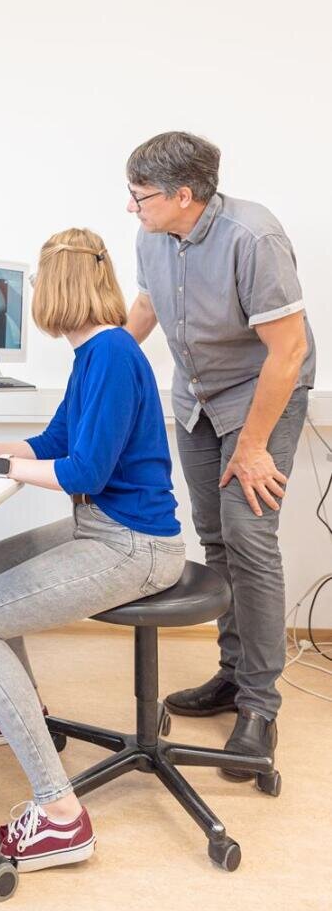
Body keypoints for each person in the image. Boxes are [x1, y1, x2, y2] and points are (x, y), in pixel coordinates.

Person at [0, 228, 185, 873]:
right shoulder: (96, 354)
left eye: (40, 282)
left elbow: (83, 474)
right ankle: (24, 707)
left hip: (133, 547)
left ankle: (59, 816)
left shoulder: (113, 354)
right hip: (106, 530)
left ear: (60, 286)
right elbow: (53, 444)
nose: (34, 294)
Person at [124, 131, 315, 775]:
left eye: (140, 195)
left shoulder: (252, 238)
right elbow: (147, 306)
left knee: (250, 538)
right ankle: (232, 676)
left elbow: (286, 352)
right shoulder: (154, 233)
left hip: (261, 398)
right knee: (214, 537)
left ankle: (260, 707)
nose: (132, 206)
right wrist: (107, 364)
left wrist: (256, 444)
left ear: (185, 194)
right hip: (198, 399)